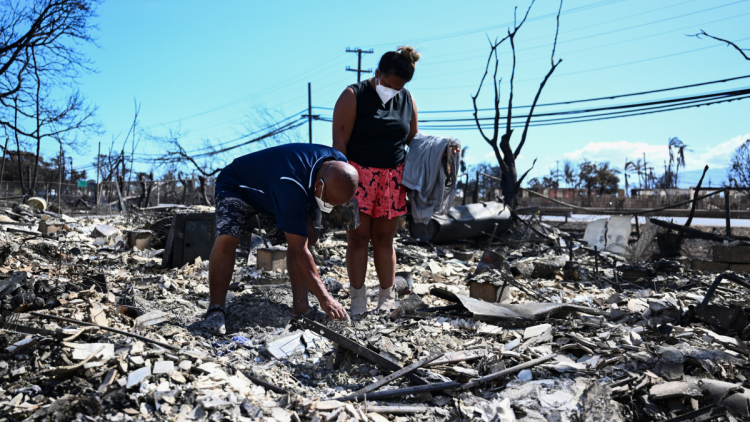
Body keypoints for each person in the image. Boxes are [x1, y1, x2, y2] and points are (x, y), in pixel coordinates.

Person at [202, 143, 359, 335]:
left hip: (276, 188)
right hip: (238, 185)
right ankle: (216, 309)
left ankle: (302, 309)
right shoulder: (290, 183)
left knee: (308, 237)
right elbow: (297, 250)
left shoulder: (338, 163)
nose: (328, 207)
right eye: (328, 202)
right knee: (228, 238)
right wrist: (326, 298)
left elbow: (305, 233)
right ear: (319, 185)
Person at [331, 46, 420, 315]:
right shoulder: (353, 95)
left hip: (392, 179)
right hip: (357, 176)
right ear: (377, 73)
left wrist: (446, 147)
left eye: (398, 87)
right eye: (389, 85)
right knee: (358, 238)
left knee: (384, 239)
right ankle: (357, 300)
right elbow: (339, 144)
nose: (392, 91)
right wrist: (341, 185)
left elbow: (414, 141)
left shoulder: (408, 100)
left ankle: (386, 298)